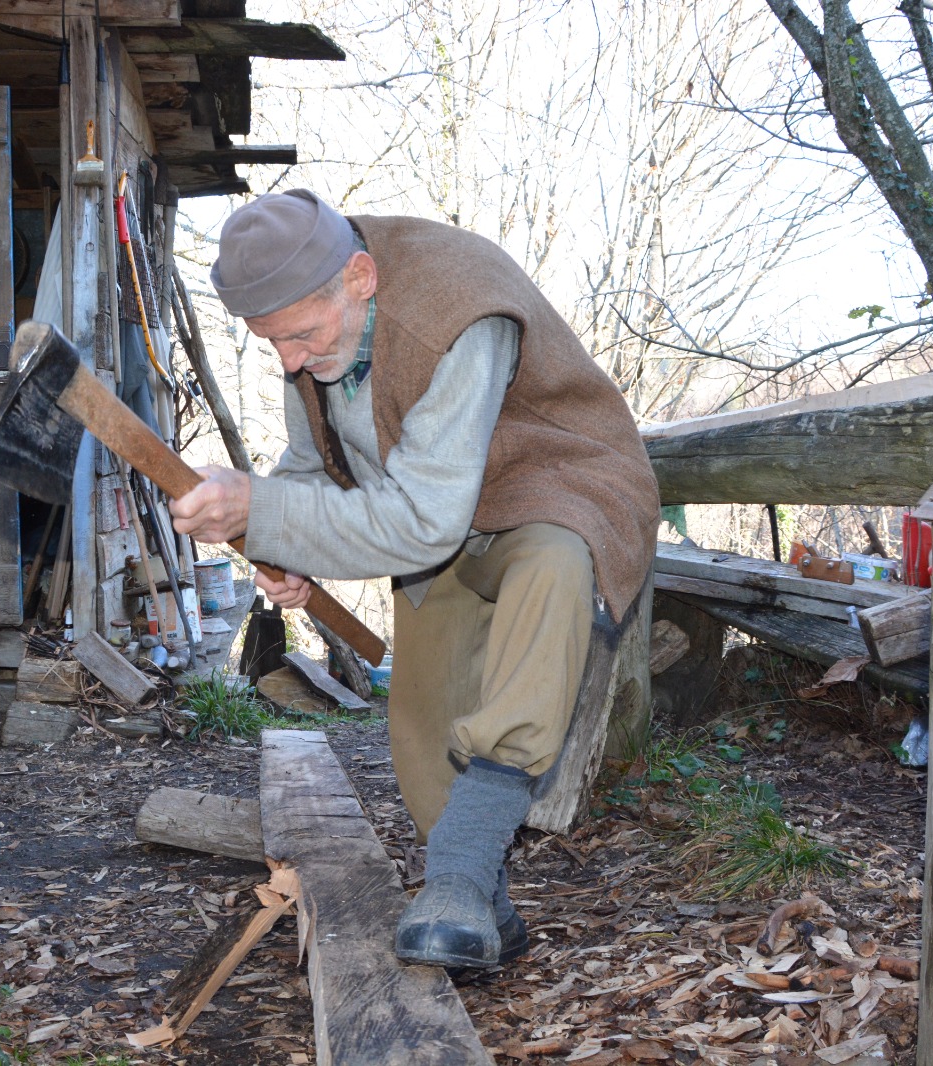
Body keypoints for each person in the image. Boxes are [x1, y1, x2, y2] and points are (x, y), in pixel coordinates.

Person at [170, 190, 659, 969]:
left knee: (552, 569)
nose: (290, 361)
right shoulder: (315, 327)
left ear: (359, 277)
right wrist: (283, 537)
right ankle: (482, 908)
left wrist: (261, 510)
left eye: (299, 336)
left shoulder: (457, 309)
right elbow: (314, 463)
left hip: (555, 489)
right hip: (439, 514)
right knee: (425, 730)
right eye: (272, 343)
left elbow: (423, 521)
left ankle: (458, 878)